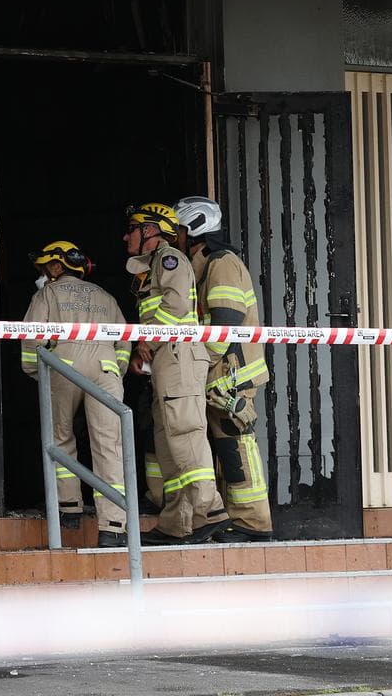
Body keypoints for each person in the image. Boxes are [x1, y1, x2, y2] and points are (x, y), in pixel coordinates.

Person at [124, 203, 232, 545]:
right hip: (167, 357)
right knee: (168, 437)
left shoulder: (170, 259)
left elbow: (177, 307)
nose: (126, 235)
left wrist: (147, 338)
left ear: (151, 231)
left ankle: (208, 509)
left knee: (185, 431)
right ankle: (178, 523)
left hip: (178, 355)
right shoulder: (153, 265)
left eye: (133, 228)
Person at [175, 196, 274, 542]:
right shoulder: (205, 265)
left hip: (232, 376)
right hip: (221, 376)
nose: (177, 239)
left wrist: (200, 362)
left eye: (180, 231)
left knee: (236, 446)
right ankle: (237, 519)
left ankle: (254, 522)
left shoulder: (222, 263)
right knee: (224, 450)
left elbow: (226, 323)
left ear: (195, 229)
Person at [20, 241, 132, 548]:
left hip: (63, 367)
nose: (42, 275)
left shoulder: (47, 294)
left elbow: (31, 339)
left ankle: (69, 508)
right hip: (105, 370)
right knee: (109, 445)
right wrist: (115, 370)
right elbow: (125, 340)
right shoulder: (106, 296)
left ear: (57, 267)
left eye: (44, 268)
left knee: (61, 437)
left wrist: (37, 373)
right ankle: (113, 526)